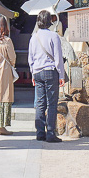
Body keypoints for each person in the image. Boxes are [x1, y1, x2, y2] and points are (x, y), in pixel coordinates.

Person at [27, 9, 65, 143]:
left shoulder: (34, 37)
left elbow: (30, 58)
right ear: (50, 21)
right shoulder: (54, 36)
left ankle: (40, 133)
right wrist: (62, 74)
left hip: (37, 71)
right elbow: (58, 58)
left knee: (40, 103)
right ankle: (50, 133)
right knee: (52, 103)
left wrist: (32, 72)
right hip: (50, 71)